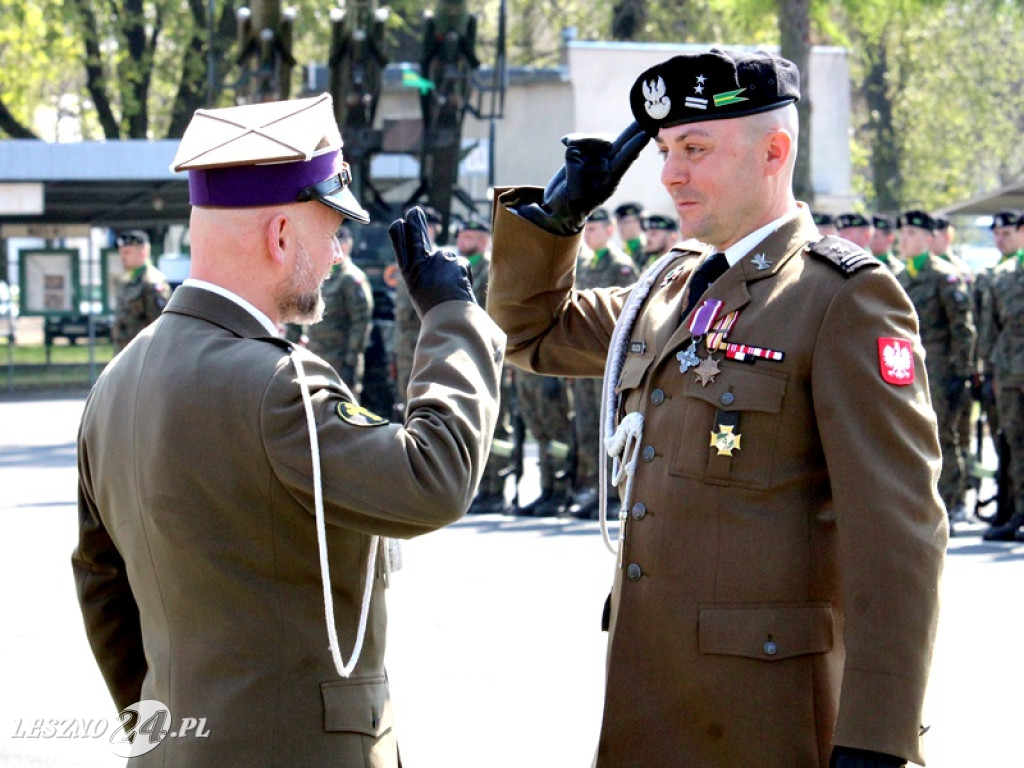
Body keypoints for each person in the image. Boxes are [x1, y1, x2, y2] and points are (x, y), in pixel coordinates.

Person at [486, 48, 946, 767]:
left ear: (775, 150)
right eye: (666, 150)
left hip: (763, 722)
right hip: (648, 707)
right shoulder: (664, 292)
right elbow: (527, 334)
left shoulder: (840, 298)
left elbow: (898, 536)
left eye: (695, 149)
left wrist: (875, 738)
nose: (670, 174)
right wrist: (557, 217)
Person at [72, 93, 504, 767]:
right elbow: (435, 480)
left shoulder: (115, 382)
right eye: (329, 231)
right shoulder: (277, 383)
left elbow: (103, 589)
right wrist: (452, 317)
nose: (336, 255)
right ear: (280, 236)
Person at [894, 210, 976, 530]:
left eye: (913, 233)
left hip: (941, 370)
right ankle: (918, 503)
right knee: (908, 436)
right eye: (903, 233)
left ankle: (953, 503)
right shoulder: (898, 278)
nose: (906, 239)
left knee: (943, 435)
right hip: (906, 370)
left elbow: (962, 329)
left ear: (930, 239)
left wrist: (962, 372)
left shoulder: (944, 276)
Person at [568, 207, 638, 519]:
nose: (589, 233)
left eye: (595, 228)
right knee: (586, 427)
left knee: (609, 429)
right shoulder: (581, 263)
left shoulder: (620, 266)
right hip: (584, 362)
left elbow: (631, 314)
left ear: (610, 231)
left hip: (608, 364)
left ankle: (613, 493)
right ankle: (597, 492)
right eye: (587, 228)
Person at [977, 210, 1024, 541]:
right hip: (1009, 373)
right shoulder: (1004, 277)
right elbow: (990, 329)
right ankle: (1018, 510)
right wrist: (988, 373)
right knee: (1015, 444)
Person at [305, 224, 374, 397]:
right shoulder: (323, 275)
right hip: (318, 355)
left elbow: (361, 323)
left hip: (341, 360)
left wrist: (350, 362)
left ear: (346, 246)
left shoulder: (351, 278)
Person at [392, 206, 444, 412]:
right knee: (405, 391)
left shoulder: (441, 259)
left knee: (427, 391)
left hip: (427, 338)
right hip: (405, 340)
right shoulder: (401, 260)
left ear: (435, 230)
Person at [111, 229, 170, 351]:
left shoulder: (152, 282)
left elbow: (159, 326)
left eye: (127, 252)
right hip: (126, 353)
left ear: (142, 253)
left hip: (144, 356)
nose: (122, 257)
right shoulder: (126, 280)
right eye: (121, 252)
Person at [614, 201, 647, 268]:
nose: (621, 226)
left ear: (640, 223)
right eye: (619, 222)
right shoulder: (623, 251)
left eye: (626, 222)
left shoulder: (648, 252)